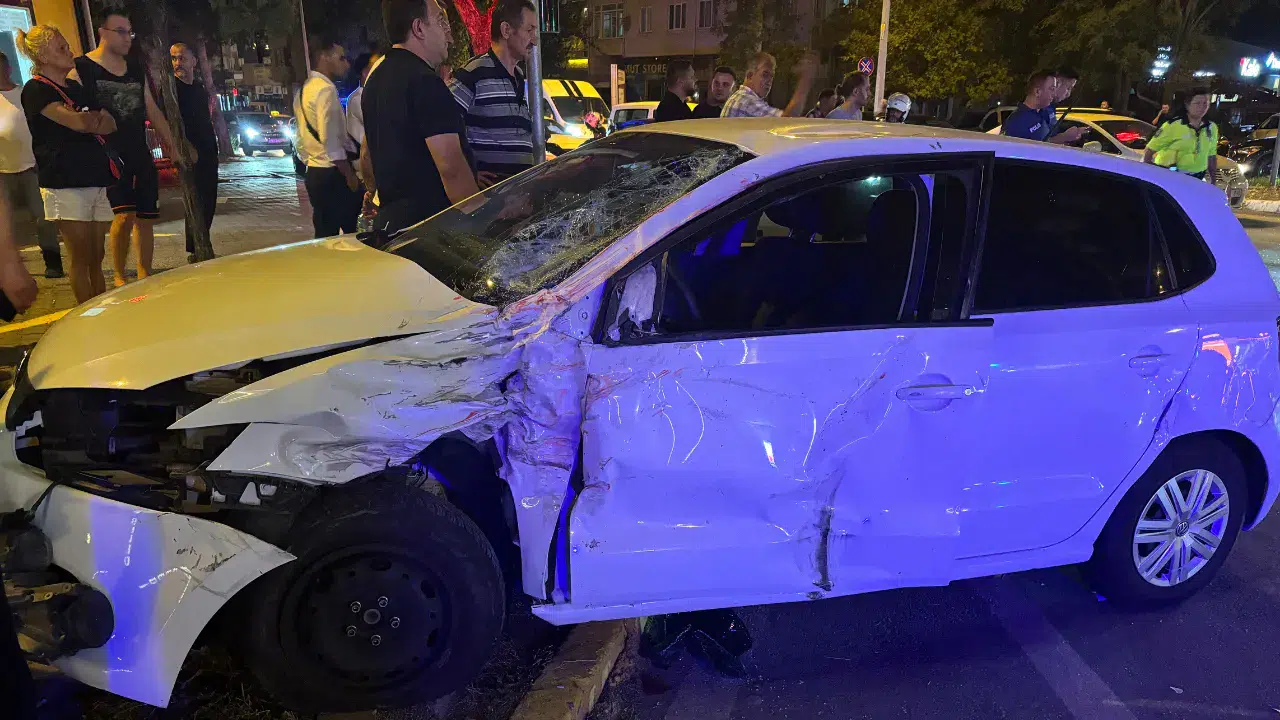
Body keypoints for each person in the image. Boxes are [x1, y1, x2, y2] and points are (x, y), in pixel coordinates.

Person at [75, 12, 183, 287]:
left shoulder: (135, 67)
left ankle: (145, 273)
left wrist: (172, 145)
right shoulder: (82, 68)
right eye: (121, 31)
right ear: (103, 32)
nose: (127, 38)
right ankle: (119, 275)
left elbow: (151, 109)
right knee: (123, 215)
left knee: (146, 216)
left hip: (139, 151)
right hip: (108, 155)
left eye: (130, 32)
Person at [18, 24, 117, 303]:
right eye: (61, 48)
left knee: (97, 255)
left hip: (95, 176)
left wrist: (90, 120)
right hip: (65, 182)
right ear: (43, 56)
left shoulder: (75, 88)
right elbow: (78, 122)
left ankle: (101, 307)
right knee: (80, 257)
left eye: (67, 46)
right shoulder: (36, 89)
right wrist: (90, 120)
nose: (70, 51)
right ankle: (87, 314)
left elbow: (110, 123)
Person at [363, 0, 479, 236]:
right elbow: (451, 168)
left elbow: (366, 153)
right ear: (418, 28)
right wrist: (483, 217)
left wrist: (373, 192)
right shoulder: (425, 82)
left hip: (390, 227)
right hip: (429, 232)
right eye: (440, 21)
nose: (449, 34)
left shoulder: (375, 80)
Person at [450, 0, 536, 186]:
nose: (534, 40)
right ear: (506, 30)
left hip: (519, 195)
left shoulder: (519, 77)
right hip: (490, 198)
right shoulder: (474, 72)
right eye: (529, 30)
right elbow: (441, 124)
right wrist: (469, 171)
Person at [1, 50, 63, 278]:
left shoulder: (24, 94)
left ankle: (52, 261)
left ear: (8, 68)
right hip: (3, 170)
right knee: (6, 222)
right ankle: (12, 269)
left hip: (31, 166)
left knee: (43, 217)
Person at [296, 37, 361, 237]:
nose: (346, 64)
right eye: (341, 58)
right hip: (333, 174)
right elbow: (331, 142)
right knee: (354, 235)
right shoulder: (326, 89)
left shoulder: (304, 90)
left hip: (314, 173)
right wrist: (349, 176)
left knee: (324, 235)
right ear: (324, 57)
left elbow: (300, 142)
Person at [170, 42, 219, 263]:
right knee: (195, 199)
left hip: (208, 149)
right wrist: (184, 148)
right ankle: (195, 248)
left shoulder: (198, 88)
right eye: (174, 58)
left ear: (193, 61)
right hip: (189, 152)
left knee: (209, 198)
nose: (178, 63)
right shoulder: (172, 90)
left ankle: (203, 242)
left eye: (182, 58)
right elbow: (171, 123)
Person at [1144, 87, 1218, 182]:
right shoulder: (1173, 125)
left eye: (1205, 103)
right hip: (1171, 177)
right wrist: (1158, 173)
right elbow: (1149, 151)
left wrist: (1213, 180)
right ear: (1187, 105)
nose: (1202, 107)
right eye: (1197, 103)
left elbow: (1211, 156)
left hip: (1197, 178)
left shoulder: (1212, 128)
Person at [721, 51, 817, 118]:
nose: (769, 81)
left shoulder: (740, 97)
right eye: (765, 75)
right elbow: (787, 122)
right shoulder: (746, 101)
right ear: (750, 75)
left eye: (771, 77)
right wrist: (805, 80)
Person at [1001, 70, 1059, 141]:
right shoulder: (1016, 122)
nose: (1055, 94)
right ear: (1037, 92)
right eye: (1052, 89)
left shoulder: (1043, 112)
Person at [346, 49, 384, 152]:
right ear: (365, 72)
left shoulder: (371, 95)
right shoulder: (357, 98)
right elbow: (380, 124)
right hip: (366, 155)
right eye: (376, 66)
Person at [1043, 67, 1086, 144]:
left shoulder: (1051, 106)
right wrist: (1065, 137)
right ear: (1057, 83)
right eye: (1068, 88)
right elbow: (1038, 143)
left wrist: (1070, 135)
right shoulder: (1040, 107)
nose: (1068, 94)